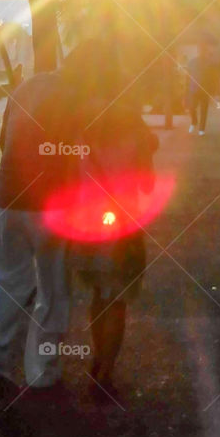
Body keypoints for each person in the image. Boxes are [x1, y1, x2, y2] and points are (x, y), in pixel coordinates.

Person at [0, 45, 87, 400]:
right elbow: (82, 157)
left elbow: (5, 142)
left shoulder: (26, 87)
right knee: (53, 289)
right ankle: (43, 374)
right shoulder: (78, 97)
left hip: (8, 197)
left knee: (5, 278)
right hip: (51, 207)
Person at [69, 70, 158, 399]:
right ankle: (105, 372)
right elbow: (148, 184)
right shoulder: (136, 133)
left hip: (87, 223)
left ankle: (97, 357)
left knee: (97, 295)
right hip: (123, 225)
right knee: (117, 300)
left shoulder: (81, 132)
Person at [186, 43, 218, 136]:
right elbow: (187, 76)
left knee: (204, 110)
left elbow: (213, 78)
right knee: (191, 108)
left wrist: (214, 91)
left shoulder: (210, 63)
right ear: (198, 51)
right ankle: (194, 120)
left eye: (203, 50)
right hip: (193, 89)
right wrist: (187, 89)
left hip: (205, 90)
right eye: (200, 50)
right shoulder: (192, 62)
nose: (202, 52)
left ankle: (201, 128)